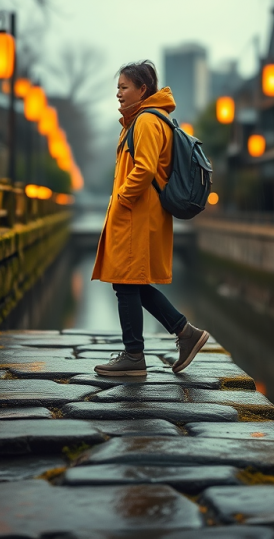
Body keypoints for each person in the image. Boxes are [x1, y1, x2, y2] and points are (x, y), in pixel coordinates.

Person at [91, 60, 209, 377]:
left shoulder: (145, 121)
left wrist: (122, 199)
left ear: (143, 89)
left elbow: (143, 169)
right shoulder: (146, 120)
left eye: (124, 87)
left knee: (126, 282)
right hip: (138, 213)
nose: (118, 93)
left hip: (136, 214)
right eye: (117, 87)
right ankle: (185, 333)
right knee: (129, 281)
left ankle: (134, 355)